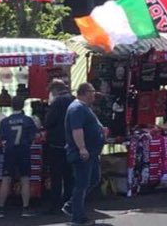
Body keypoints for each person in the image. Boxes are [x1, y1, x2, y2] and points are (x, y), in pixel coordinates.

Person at [65, 82, 104, 226]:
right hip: (82, 153)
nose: (94, 95)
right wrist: (82, 148)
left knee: (94, 179)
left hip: (92, 152)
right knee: (82, 184)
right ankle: (78, 218)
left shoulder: (84, 108)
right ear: (86, 92)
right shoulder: (77, 108)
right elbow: (77, 129)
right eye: (92, 92)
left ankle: (71, 205)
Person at [0, 96, 37, 217]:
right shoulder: (28, 120)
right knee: (25, 179)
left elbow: (1, 138)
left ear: (11, 105)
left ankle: (0, 208)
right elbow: (34, 137)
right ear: (23, 105)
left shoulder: (5, 121)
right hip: (24, 150)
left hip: (10, 151)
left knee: (6, 178)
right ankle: (26, 208)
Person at [40, 80, 74, 215]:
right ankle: (69, 203)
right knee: (69, 176)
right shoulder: (74, 100)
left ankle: (55, 205)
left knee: (56, 177)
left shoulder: (57, 103)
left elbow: (48, 122)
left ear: (54, 91)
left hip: (56, 144)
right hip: (72, 143)